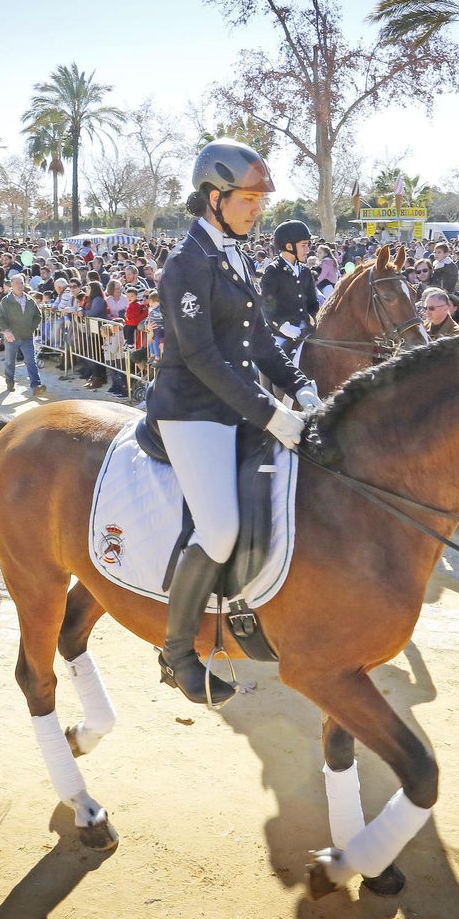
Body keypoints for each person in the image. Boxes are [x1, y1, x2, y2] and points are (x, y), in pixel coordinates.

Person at [148, 139, 321, 706]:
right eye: (247, 199)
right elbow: (201, 357)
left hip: (238, 404)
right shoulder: (186, 263)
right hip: (191, 410)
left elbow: (258, 343)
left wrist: (299, 385)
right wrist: (272, 413)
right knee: (219, 529)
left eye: (258, 200)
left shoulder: (236, 254)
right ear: (213, 197)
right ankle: (177, 653)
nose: (256, 209)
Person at [261, 219, 320, 350]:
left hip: (306, 331)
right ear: (289, 246)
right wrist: (283, 327)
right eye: (304, 245)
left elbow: (312, 303)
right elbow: (267, 307)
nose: (308, 249)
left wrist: (315, 320)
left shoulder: (305, 271)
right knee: (272, 366)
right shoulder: (273, 271)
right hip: (281, 334)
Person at [0, 273, 46, 396]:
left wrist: (31, 328)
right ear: (12, 285)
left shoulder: (29, 300)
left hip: (27, 336)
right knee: (10, 361)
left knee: (31, 361)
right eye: (17, 283)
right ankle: (10, 381)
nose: (20, 285)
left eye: (22, 282)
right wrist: (6, 331)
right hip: (11, 337)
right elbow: (0, 318)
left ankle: (36, 386)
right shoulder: (6, 301)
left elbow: (38, 316)